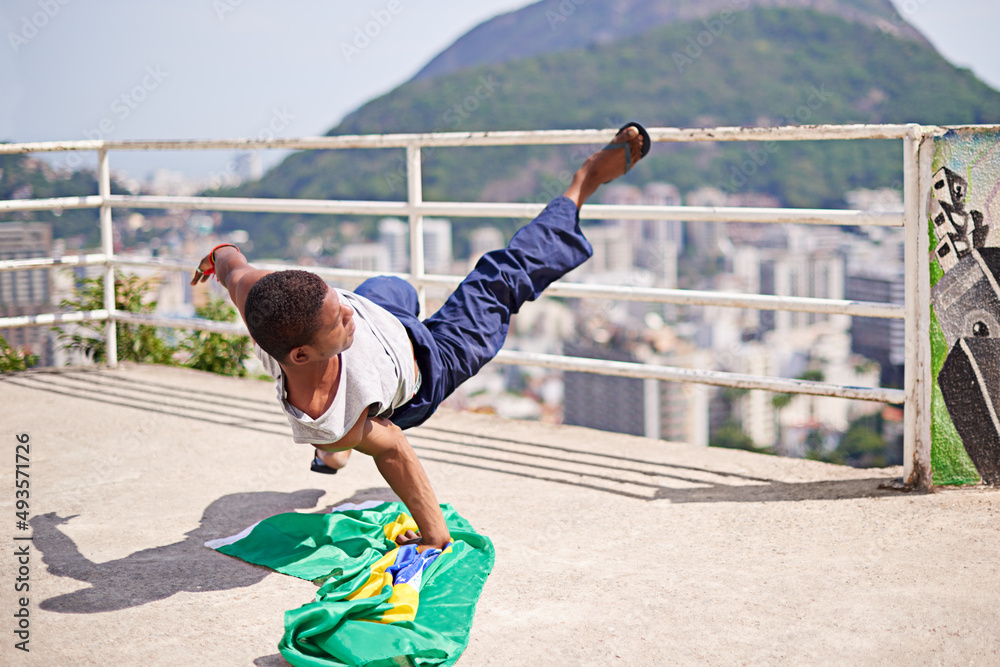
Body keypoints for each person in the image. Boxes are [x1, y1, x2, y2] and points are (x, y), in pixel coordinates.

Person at [190, 123, 650, 550]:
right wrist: (434, 536)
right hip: (428, 366)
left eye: (338, 302)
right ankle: (582, 182)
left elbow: (231, 262)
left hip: (384, 310)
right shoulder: (330, 412)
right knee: (499, 278)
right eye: (338, 321)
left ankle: (333, 452)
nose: (346, 314)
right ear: (302, 352)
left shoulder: (259, 300)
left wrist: (218, 255)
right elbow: (395, 455)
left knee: (392, 287)